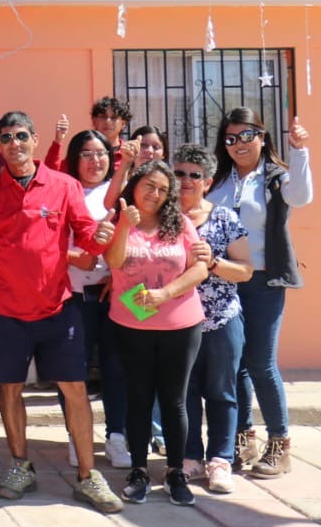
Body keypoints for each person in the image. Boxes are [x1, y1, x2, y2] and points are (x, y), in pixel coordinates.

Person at [0, 111, 123, 513]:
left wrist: (98, 237)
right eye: (6, 138)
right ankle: (20, 466)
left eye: (21, 135)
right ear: (0, 146)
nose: (14, 144)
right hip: (4, 309)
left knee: (75, 390)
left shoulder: (62, 185)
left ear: (34, 138)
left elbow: (84, 235)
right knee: (8, 389)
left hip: (56, 307)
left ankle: (86, 476)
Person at [209, 108, 311, 477]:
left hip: (264, 281)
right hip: (226, 280)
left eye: (246, 135)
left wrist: (299, 151)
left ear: (262, 137)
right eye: (230, 138)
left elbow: (300, 197)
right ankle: (243, 436)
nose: (238, 144)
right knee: (234, 363)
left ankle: (279, 443)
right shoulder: (219, 180)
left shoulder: (273, 177)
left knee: (260, 362)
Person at [105, 161, 209, 505]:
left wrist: (166, 293)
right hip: (131, 325)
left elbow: (200, 269)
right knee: (138, 398)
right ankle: (138, 470)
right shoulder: (121, 219)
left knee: (174, 400)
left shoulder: (178, 223)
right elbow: (115, 261)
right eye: (150, 185)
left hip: (180, 325)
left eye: (163, 190)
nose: (155, 194)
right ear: (135, 185)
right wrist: (124, 224)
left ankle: (176, 471)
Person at [173, 143, 252, 494]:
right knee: (183, 394)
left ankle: (220, 461)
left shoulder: (224, 218)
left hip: (221, 321)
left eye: (194, 175)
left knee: (222, 393)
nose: (186, 180)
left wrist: (214, 262)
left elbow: (246, 271)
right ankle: (189, 459)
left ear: (207, 182)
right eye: (179, 173)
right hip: (175, 323)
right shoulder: (163, 217)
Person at [59, 130, 130, 470]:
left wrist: (116, 276)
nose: (94, 161)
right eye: (86, 154)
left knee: (118, 368)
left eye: (100, 153)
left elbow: (141, 241)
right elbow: (47, 241)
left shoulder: (122, 194)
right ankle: (77, 435)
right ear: (75, 158)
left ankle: (117, 436)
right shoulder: (62, 189)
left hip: (116, 295)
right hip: (72, 294)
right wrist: (76, 257)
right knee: (74, 371)